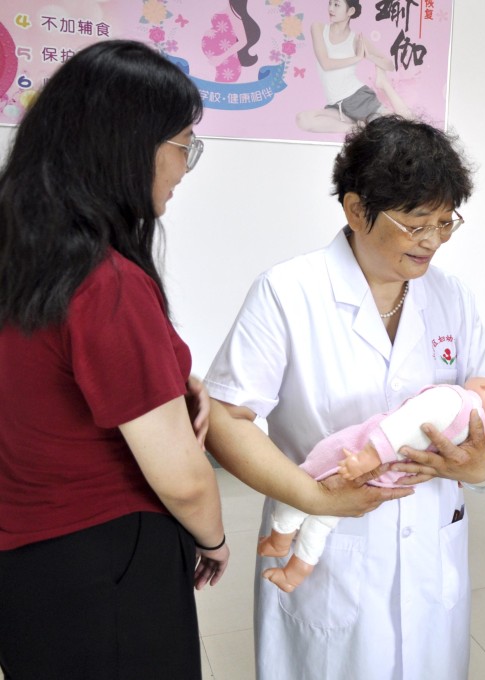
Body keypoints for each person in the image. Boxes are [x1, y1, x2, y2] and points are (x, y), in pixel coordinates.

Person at [203, 115, 485, 679]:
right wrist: (313, 500)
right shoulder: (288, 292)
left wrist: (482, 468)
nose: (434, 241)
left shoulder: (452, 298)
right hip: (328, 551)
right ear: (357, 210)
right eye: (417, 224)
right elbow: (227, 418)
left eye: (445, 222)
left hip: (431, 550)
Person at [0, 40, 229, 679]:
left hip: (24, 554)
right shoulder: (105, 282)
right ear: (130, 144)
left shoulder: (22, 254)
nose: (186, 166)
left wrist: (167, 372)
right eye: (185, 144)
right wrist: (211, 539)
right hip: (110, 557)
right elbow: (184, 478)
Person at [258, 373, 485, 592]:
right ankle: (297, 570)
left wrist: (368, 456)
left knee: (306, 485)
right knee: (323, 519)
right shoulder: (465, 431)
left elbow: (405, 423)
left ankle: (280, 540)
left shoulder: (455, 399)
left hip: (356, 454)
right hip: (386, 480)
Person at [296, 0, 411, 134]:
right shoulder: (318, 28)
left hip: (358, 99)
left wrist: (369, 56)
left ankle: (381, 90)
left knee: (401, 127)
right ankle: (358, 129)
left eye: (337, 5)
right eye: (330, 3)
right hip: (336, 106)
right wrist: (357, 58)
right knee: (303, 119)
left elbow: (389, 65)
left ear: (350, 11)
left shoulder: (356, 39)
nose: (331, 8)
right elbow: (326, 64)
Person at [201, 0, 262, 83]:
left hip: (228, 65)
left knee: (220, 89)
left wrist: (221, 57)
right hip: (219, 62)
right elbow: (223, 31)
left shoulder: (234, 16)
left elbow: (243, 41)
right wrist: (208, 32)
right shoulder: (223, 10)